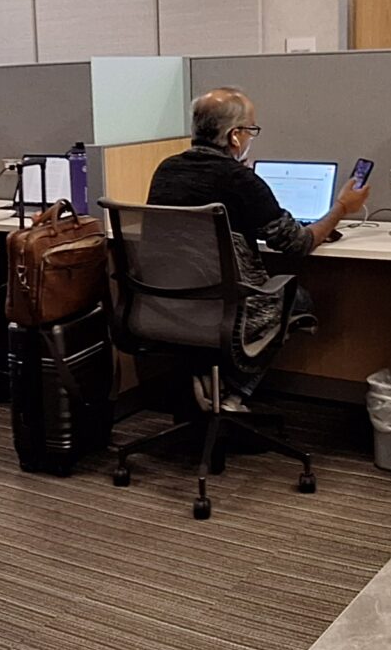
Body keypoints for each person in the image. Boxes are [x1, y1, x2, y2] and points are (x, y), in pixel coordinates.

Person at [145, 87, 369, 410]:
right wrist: (341, 208)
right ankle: (232, 394)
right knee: (299, 298)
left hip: (170, 307)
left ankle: (208, 380)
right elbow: (297, 244)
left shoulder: (166, 170)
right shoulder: (240, 181)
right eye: (251, 130)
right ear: (235, 137)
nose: (251, 137)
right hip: (230, 311)